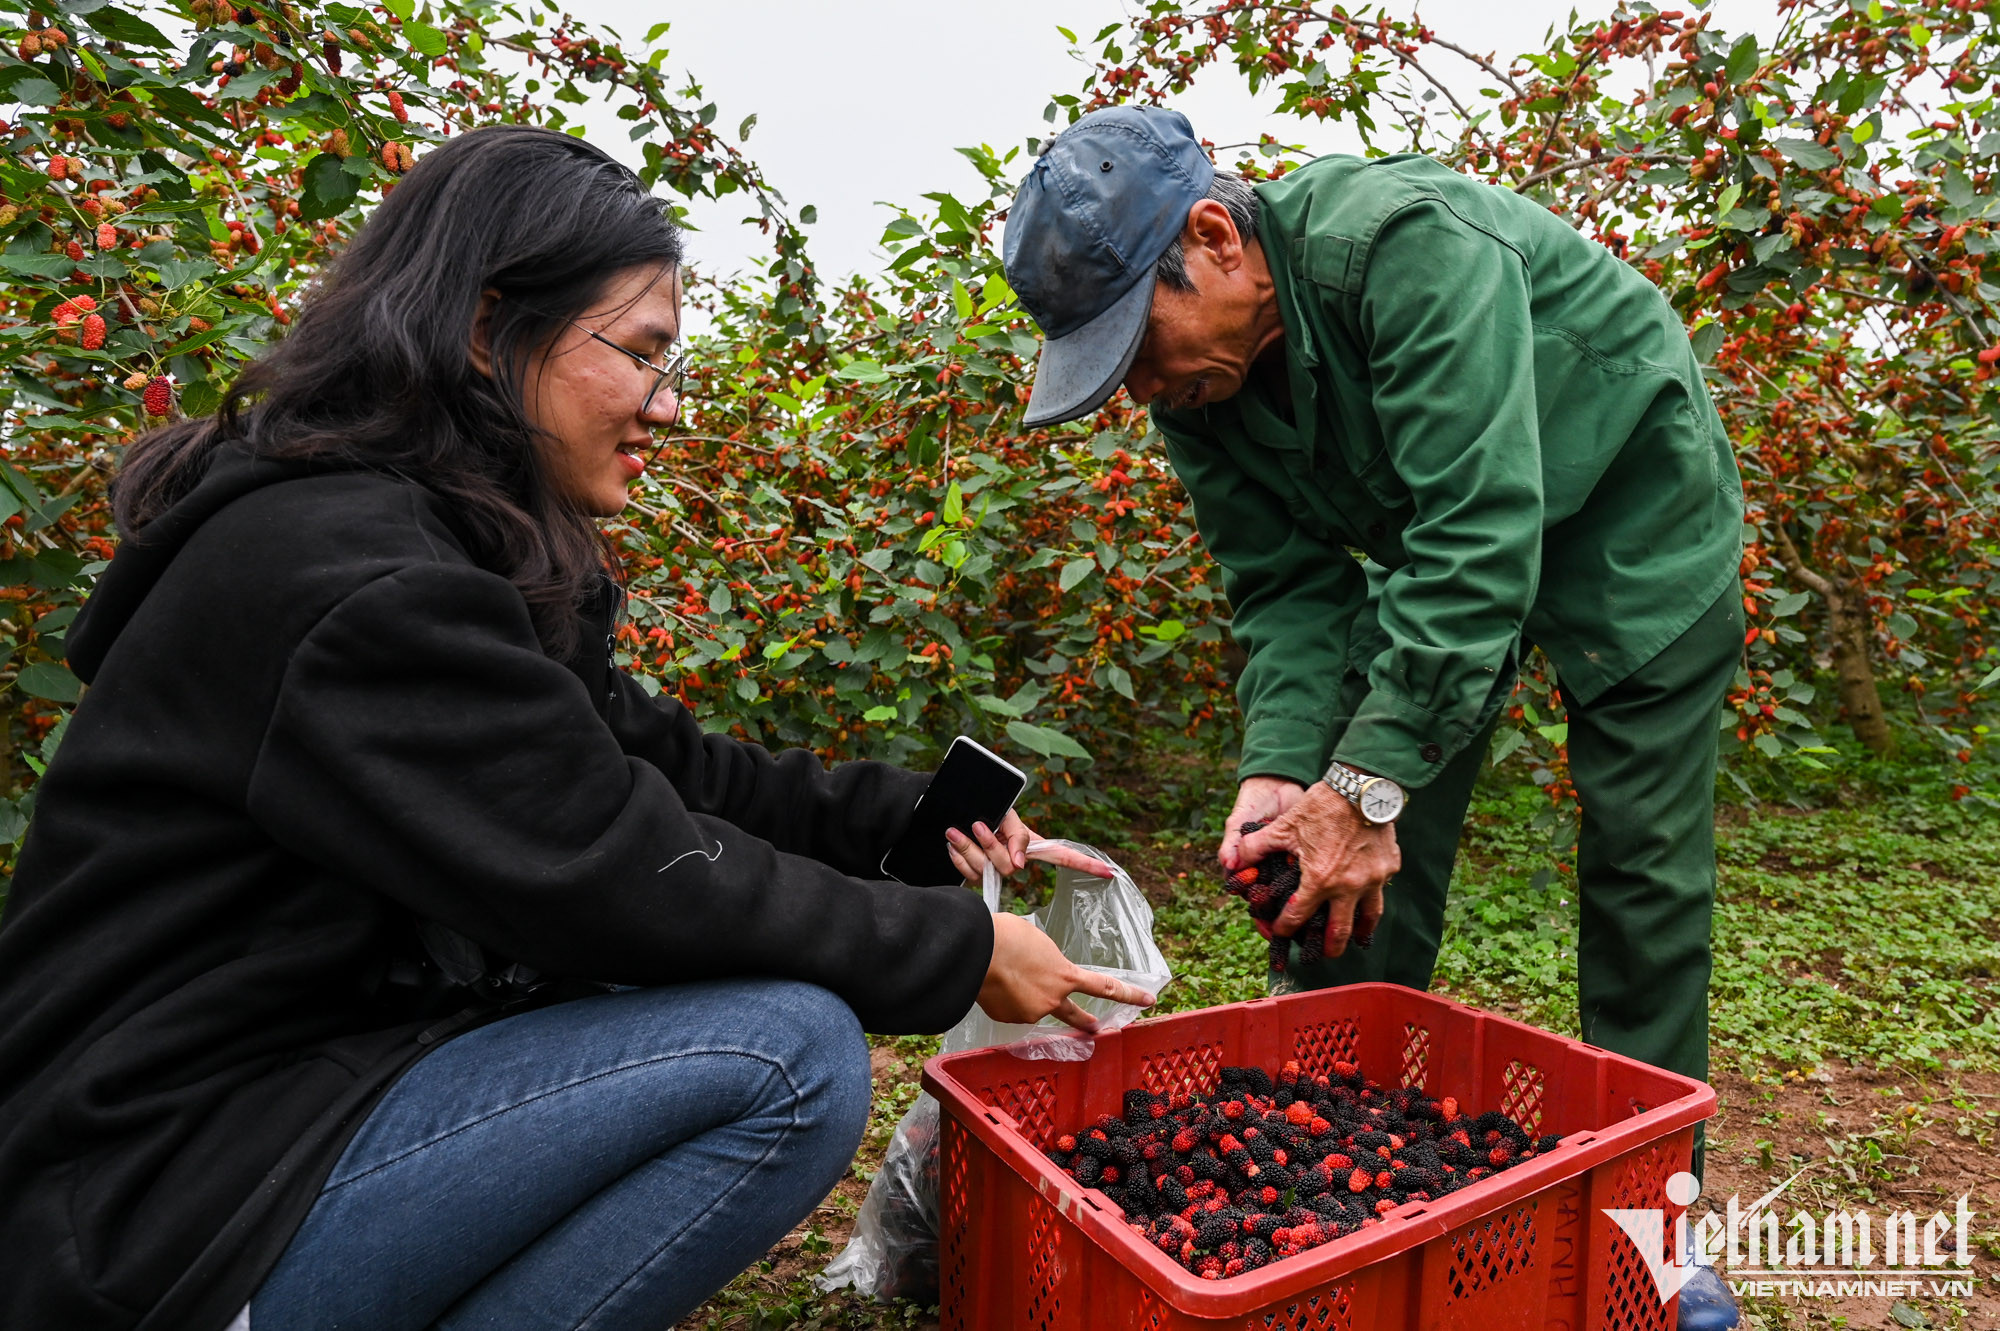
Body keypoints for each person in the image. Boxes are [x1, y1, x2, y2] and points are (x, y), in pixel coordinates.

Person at [0, 125, 1152, 1331]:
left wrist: (903, 817)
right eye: (642, 355)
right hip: (150, 1197)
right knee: (785, 1056)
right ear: (487, 329)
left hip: (280, 1098)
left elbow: (647, 761)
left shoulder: (431, 540)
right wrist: (958, 953)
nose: (665, 406)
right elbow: (616, 863)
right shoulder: (353, 585)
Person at [1000, 107, 1742, 1328]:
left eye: (1136, 341)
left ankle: (1652, 1244)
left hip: (1628, 516)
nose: (1138, 387)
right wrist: (1284, 771)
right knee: (1332, 864)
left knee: (1640, 870)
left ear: (1216, 239)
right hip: (1445, 554)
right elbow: (1288, 589)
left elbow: (1476, 536)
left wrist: (1365, 786)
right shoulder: (1200, 387)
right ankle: (1323, 1181)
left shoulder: (1404, 245)